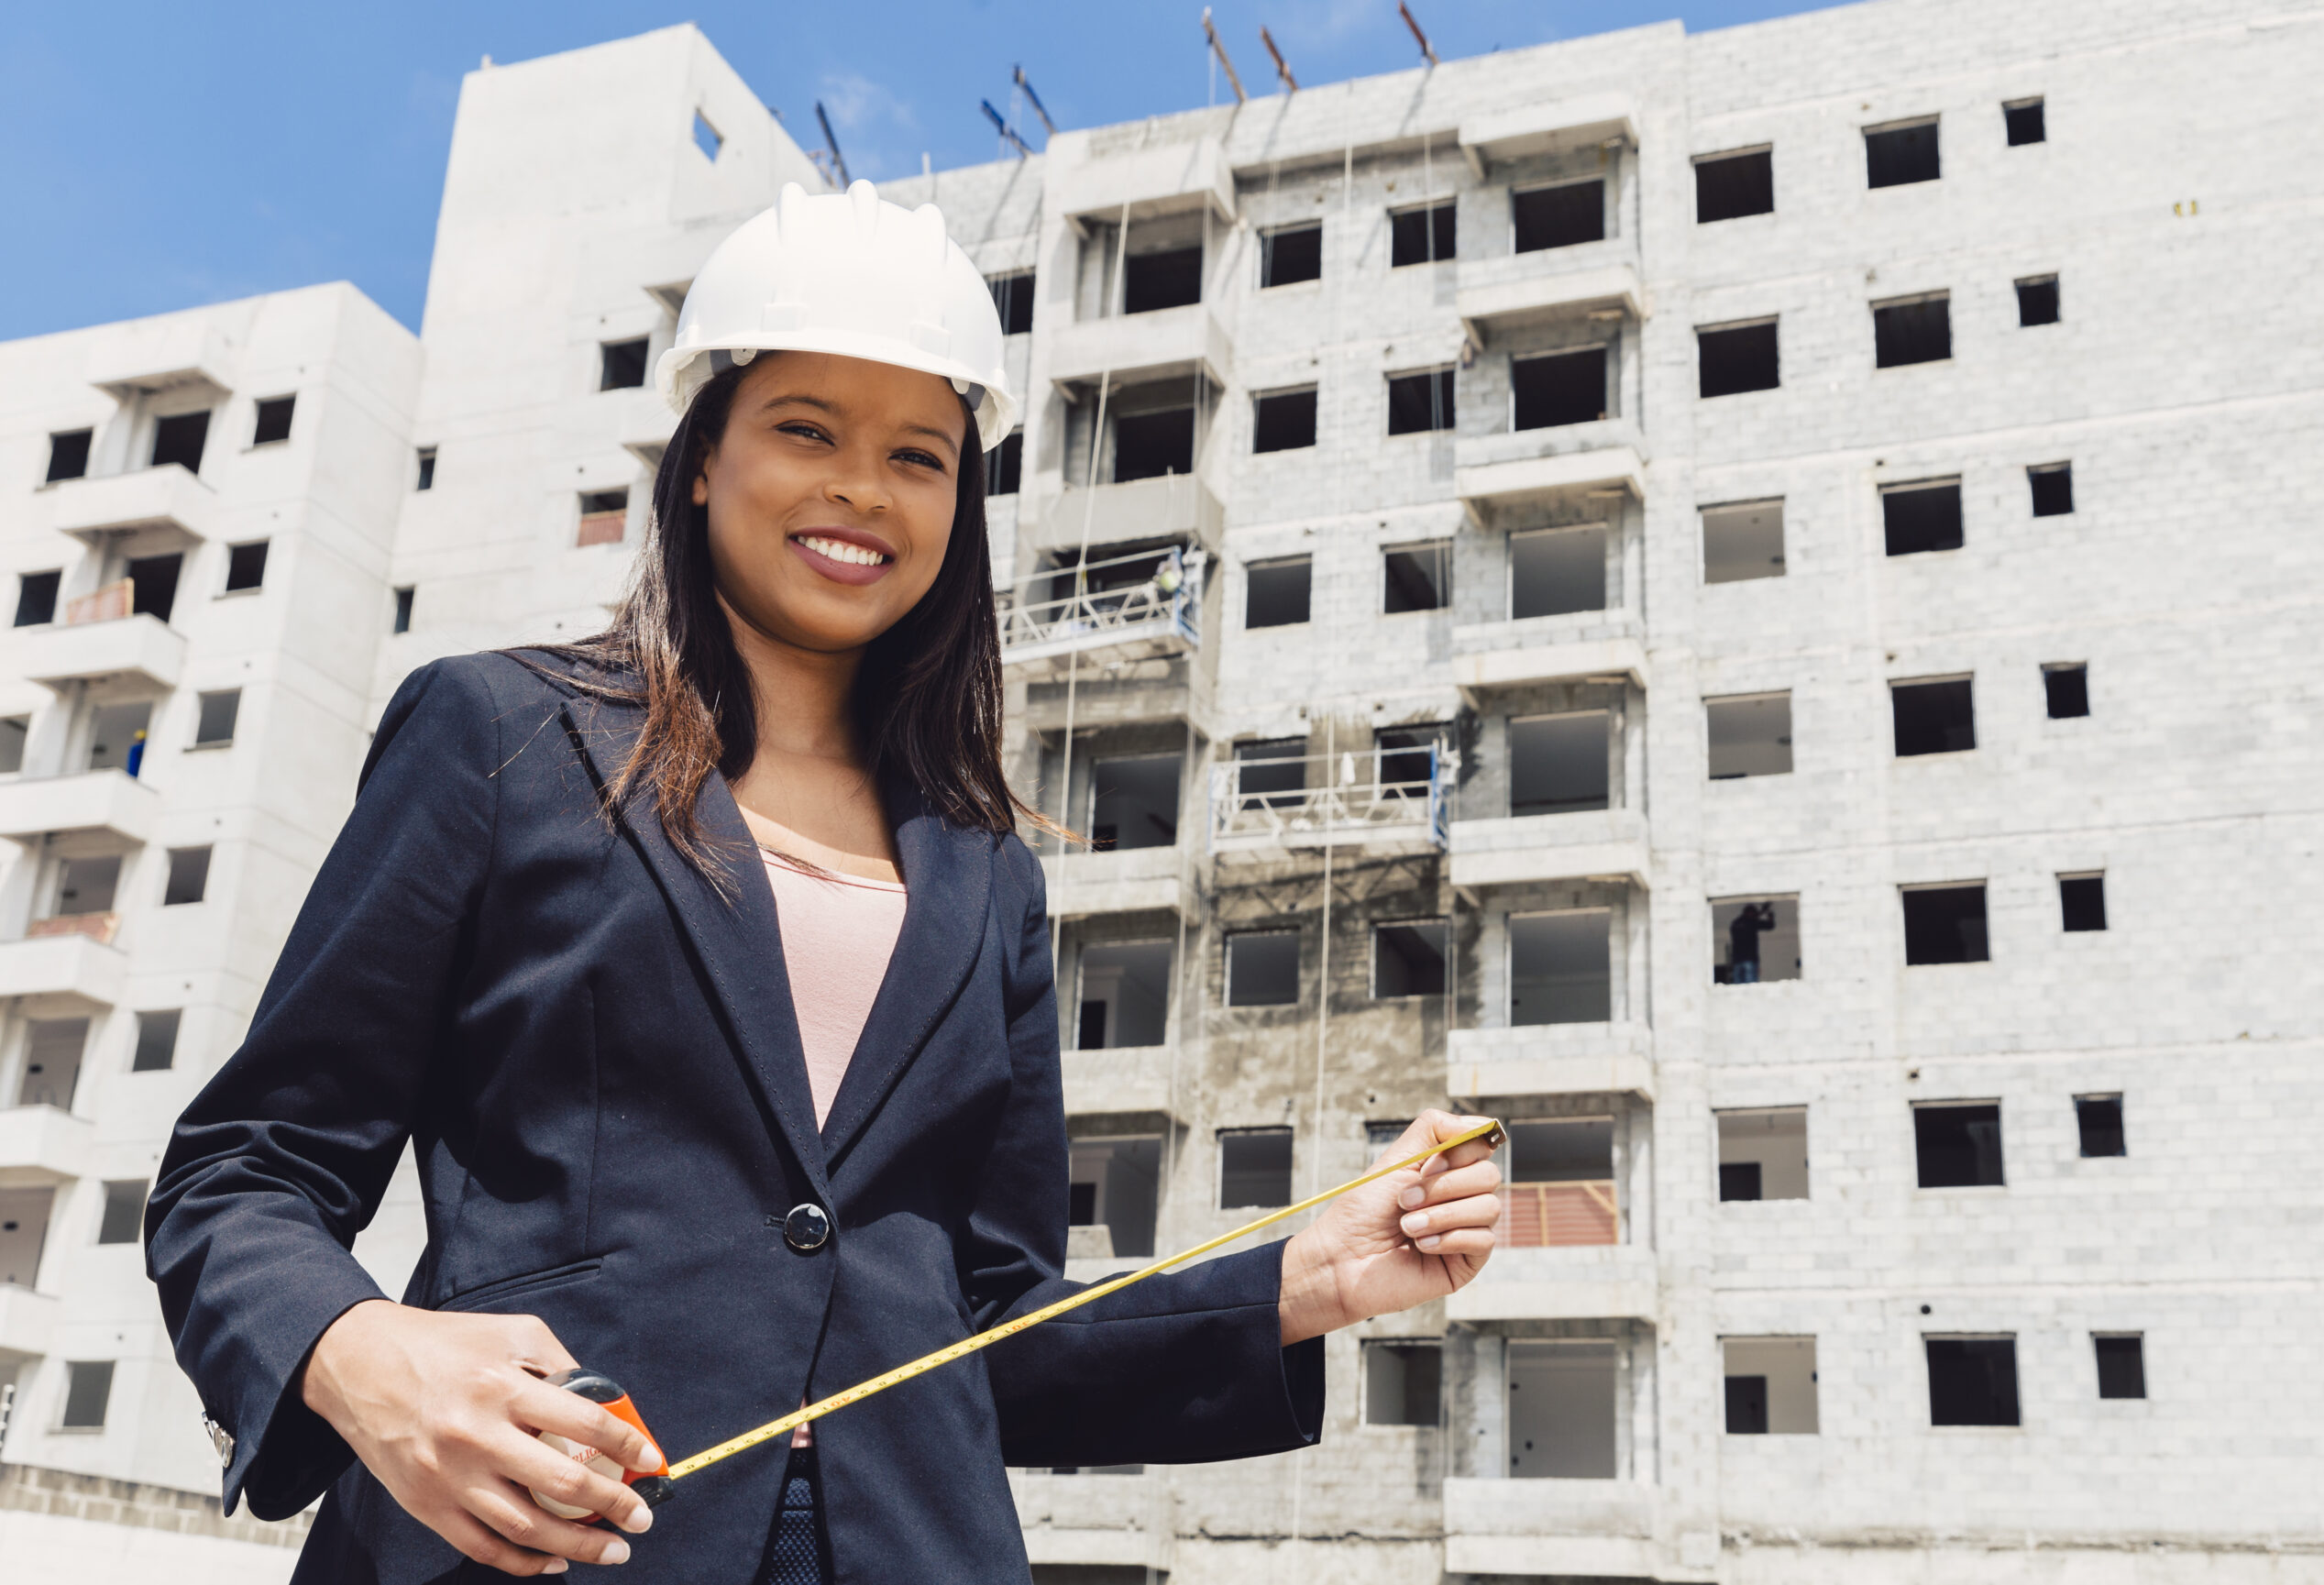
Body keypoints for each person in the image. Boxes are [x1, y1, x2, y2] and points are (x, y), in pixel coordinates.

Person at [145, 182, 1503, 1585]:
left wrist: (1305, 1282)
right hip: (538, 1546)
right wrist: (357, 1356)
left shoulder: (987, 877)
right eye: (806, 429)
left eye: (920, 455)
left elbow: (991, 1329)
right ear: (700, 458)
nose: (862, 486)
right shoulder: (499, 739)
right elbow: (243, 1171)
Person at [1727, 901, 1776, 984]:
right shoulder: (1752, 922)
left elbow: (1750, 920)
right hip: (1750, 959)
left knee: (1738, 987)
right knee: (1751, 986)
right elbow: (1770, 925)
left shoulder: (1735, 923)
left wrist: (1761, 912)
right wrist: (1770, 916)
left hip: (1737, 961)